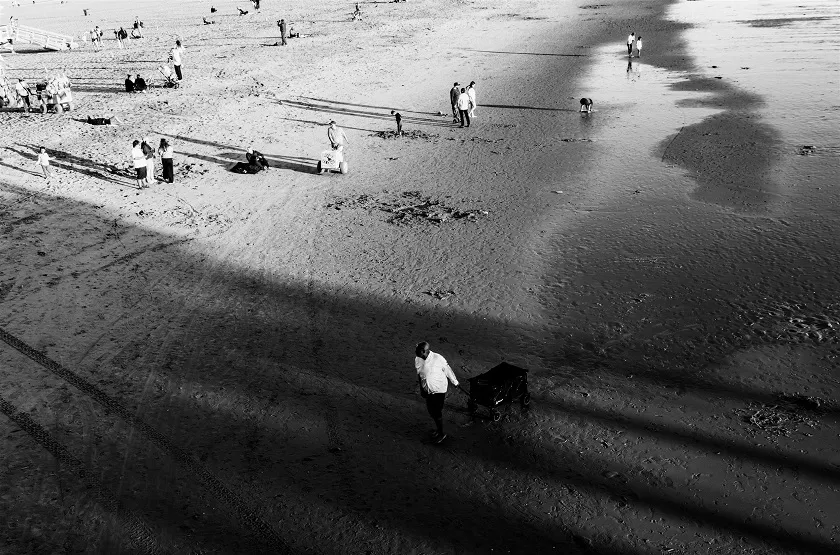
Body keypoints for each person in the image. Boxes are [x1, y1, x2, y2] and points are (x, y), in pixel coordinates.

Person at [415, 341, 459, 444]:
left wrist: (455, 382)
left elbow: (447, 370)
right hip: (428, 392)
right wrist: (422, 389)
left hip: (439, 391)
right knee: (431, 411)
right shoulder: (418, 358)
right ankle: (438, 430)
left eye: (417, 350)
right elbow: (419, 374)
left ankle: (441, 433)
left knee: (436, 412)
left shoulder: (438, 359)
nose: (415, 352)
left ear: (423, 351)